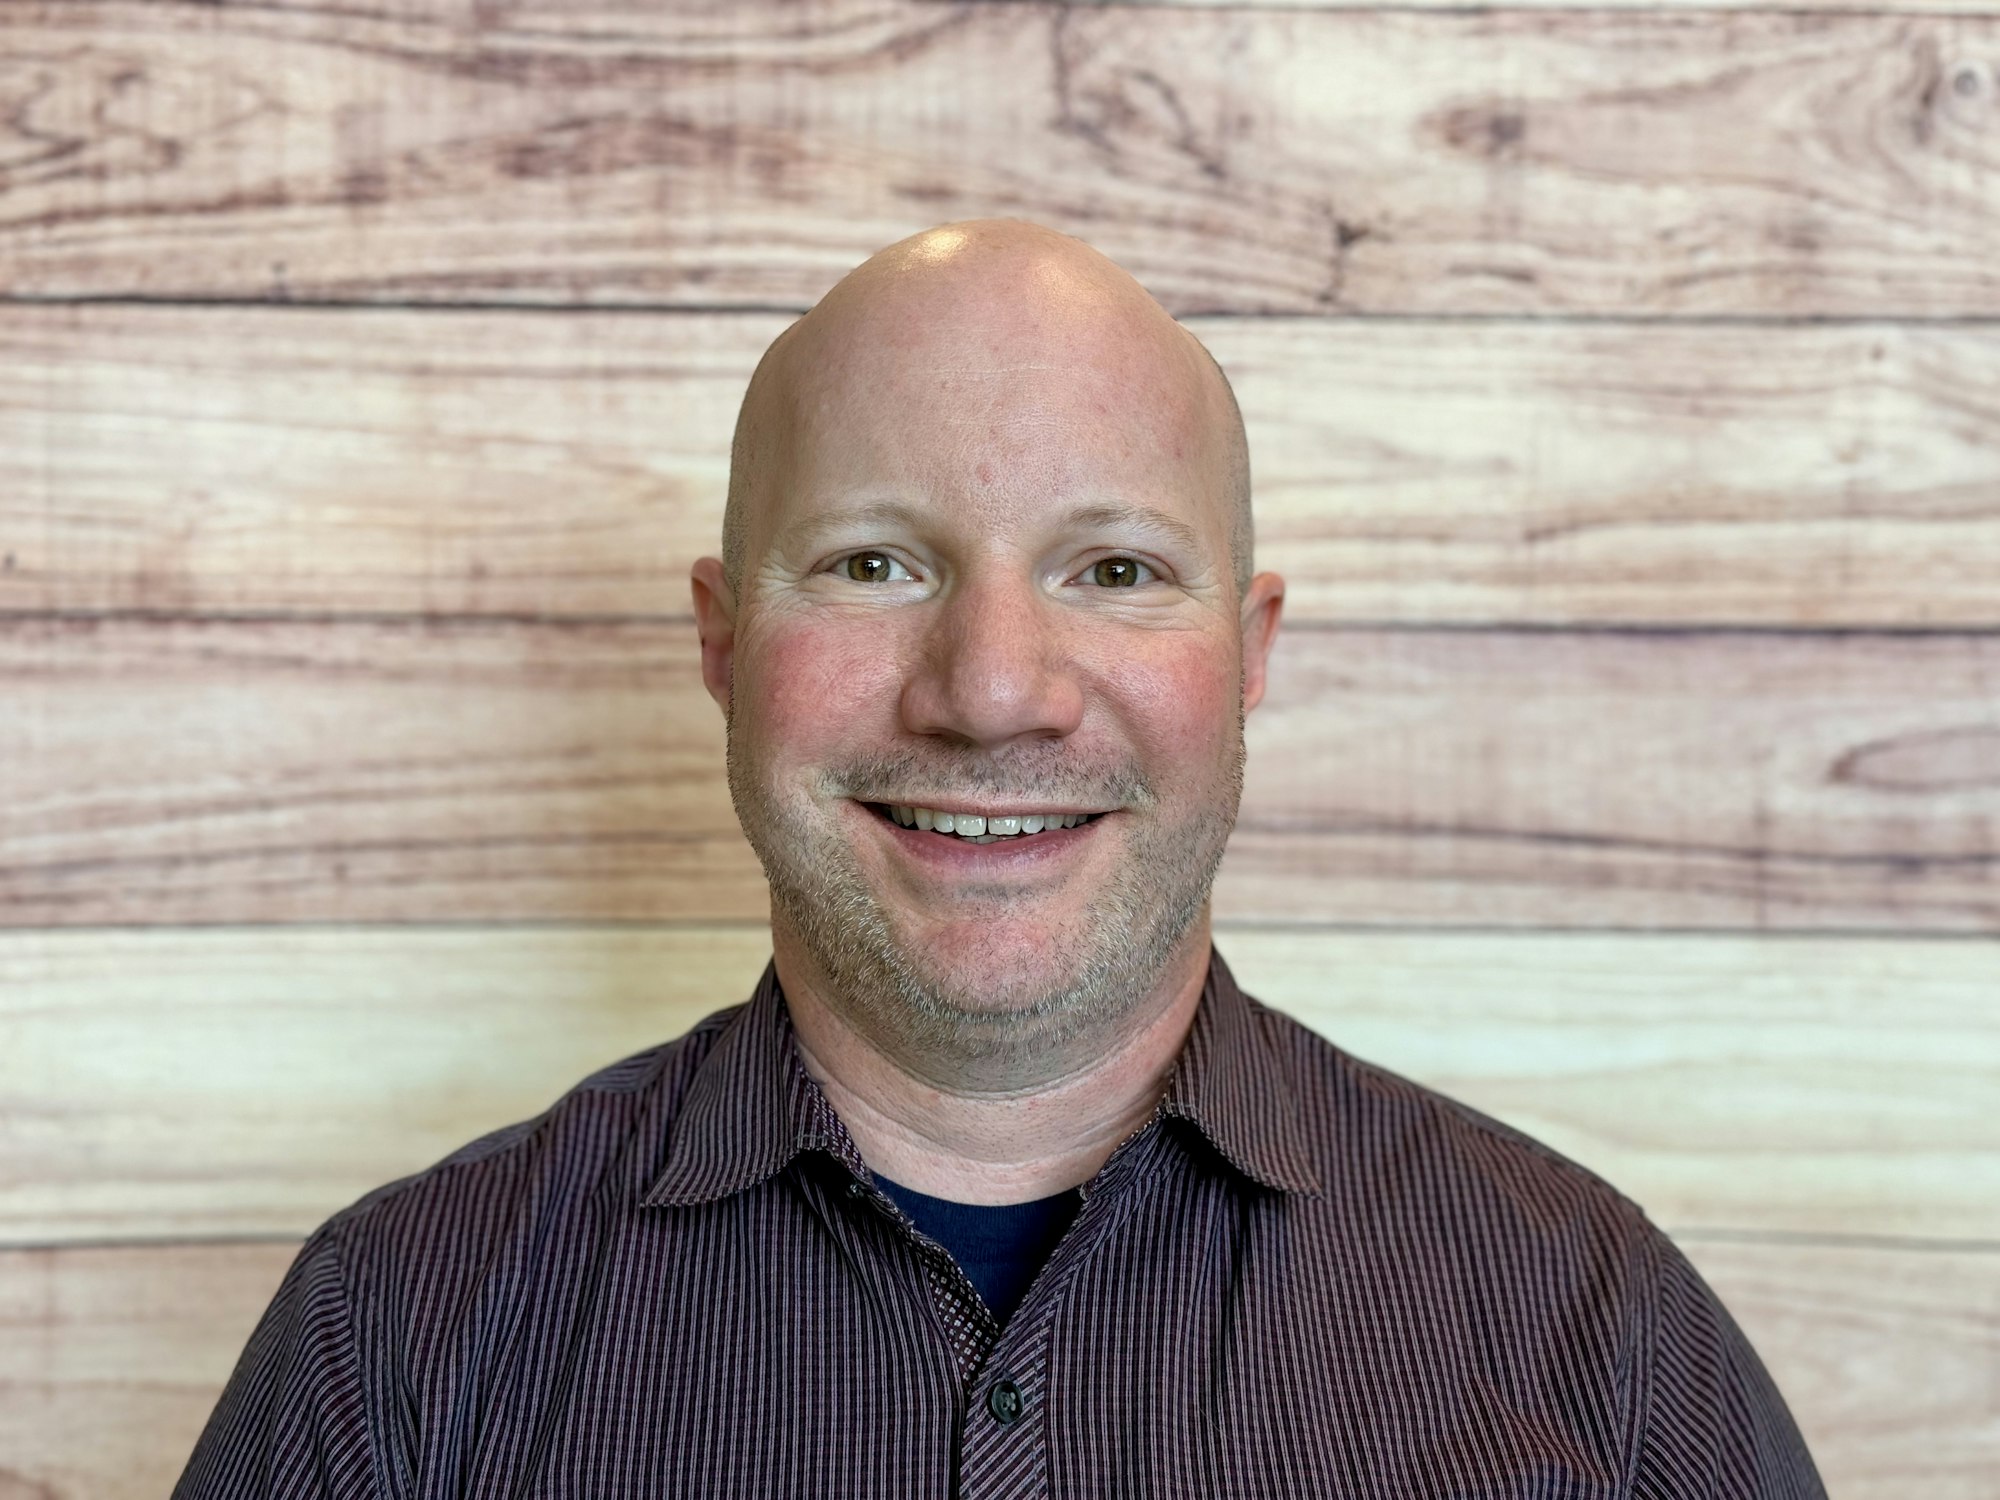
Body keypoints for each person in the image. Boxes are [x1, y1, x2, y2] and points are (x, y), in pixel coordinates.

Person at [175, 219, 1825, 1497]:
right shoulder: (393, 1343)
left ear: (1245, 653)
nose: (992, 693)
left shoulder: (1594, 1337)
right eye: (877, 561)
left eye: (1112, 568)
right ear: (721, 641)